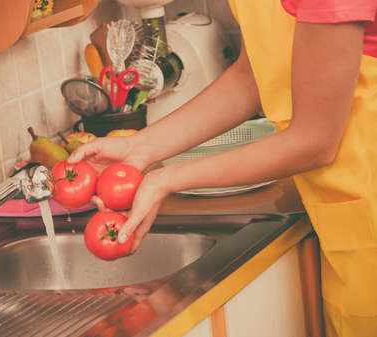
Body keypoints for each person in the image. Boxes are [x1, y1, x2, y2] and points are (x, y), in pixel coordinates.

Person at [69, 0, 377, 336]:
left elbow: (314, 141)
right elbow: (252, 77)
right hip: (350, 219)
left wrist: (166, 179)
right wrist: (139, 148)